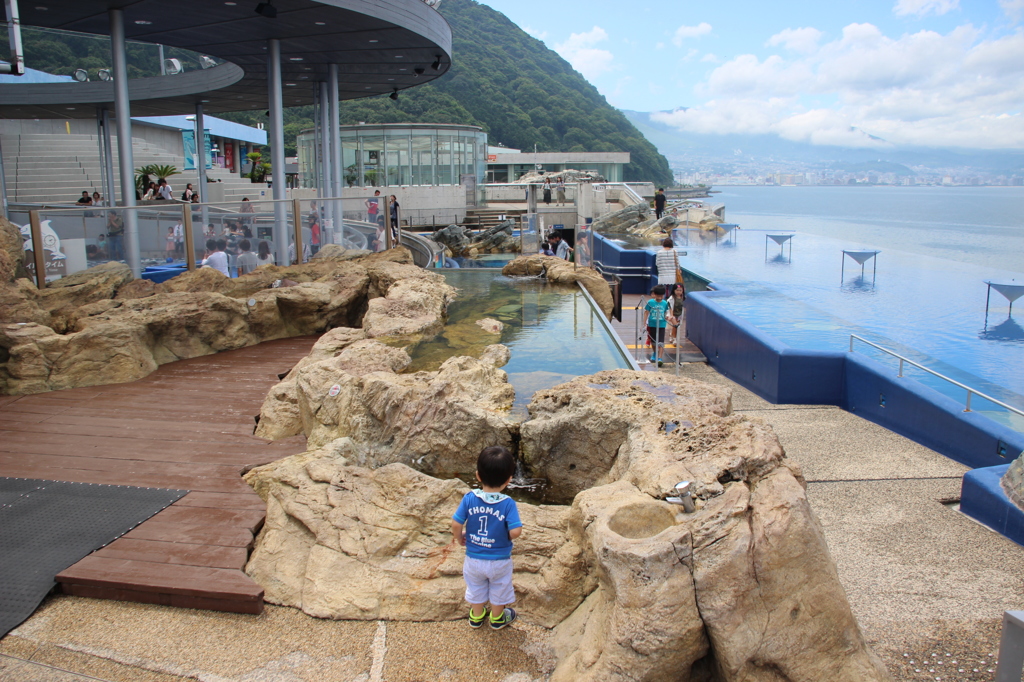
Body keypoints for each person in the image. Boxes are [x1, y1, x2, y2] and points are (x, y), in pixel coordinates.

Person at [451, 445, 522, 630]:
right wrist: (503, 534)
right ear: (509, 480)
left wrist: (459, 538)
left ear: (478, 475)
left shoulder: (469, 498)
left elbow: (456, 523)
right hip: (499, 561)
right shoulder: (508, 504)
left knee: (475, 587)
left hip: (473, 558)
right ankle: (497, 618)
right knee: (499, 588)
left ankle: (476, 616)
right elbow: (516, 532)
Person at [645, 284, 671, 365]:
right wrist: (644, 324)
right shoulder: (650, 302)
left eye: (661, 296)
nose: (660, 298)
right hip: (652, 324)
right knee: (653, 342)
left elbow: (667, 311)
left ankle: (659, 357)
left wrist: (667, 316)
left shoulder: (665, 303)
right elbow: (646, 312)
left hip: (661, 324)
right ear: (654, 294)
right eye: (658, 296)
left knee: (661, 342)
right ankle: (655, 353)